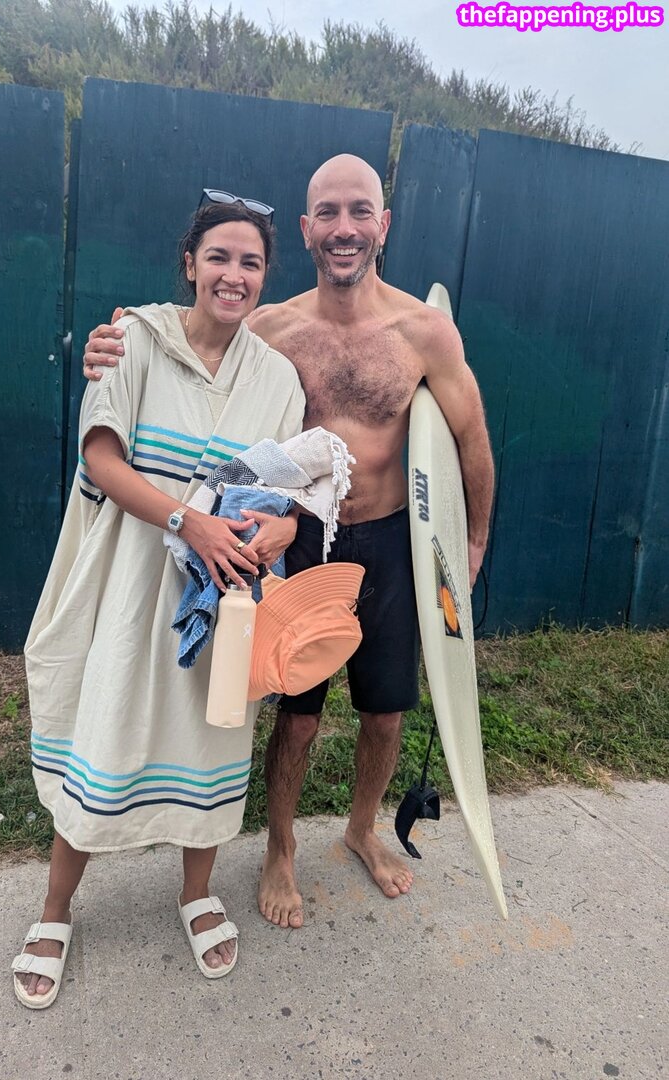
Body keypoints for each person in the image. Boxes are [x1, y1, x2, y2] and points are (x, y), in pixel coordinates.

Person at [83, 154, 494, 933]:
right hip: (299, 540)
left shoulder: (424, 331)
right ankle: (279, 846)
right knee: (297, 717)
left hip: (390, 545)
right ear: (305, 230)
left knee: (383, 714)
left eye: (359, 211)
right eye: (327, 213)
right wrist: (110, 347)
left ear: (383, 225)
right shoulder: (271, 328)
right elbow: (185, 344)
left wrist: (469, 544)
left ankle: (360, 828)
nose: (344, 228)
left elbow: (469, 438)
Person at [13, 195, 306, 1007]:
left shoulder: (277, 379)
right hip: (129, 585)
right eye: (219, 257)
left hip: (216, 600)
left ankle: (196, 894)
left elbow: (281, 494)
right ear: (189, 263)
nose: (233, 275)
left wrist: (279, 530)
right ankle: (54, 909)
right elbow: (102, 460)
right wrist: (188, 520)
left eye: (250, 262)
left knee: (212, 740)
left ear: (264, 275)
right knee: (101, 730)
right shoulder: (135, 339)